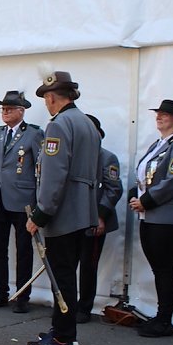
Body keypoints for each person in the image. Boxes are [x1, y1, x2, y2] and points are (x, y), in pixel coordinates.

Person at [25, 71, 100, 345]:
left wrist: (41, 213)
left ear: (52, 97)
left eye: (46, 98)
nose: (46, 103)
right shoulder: (86, 123)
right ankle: (61, 329)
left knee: (62, 276)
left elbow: (54, 175)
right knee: (67, 273)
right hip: (82, 209)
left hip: (64, 211)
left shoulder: (59, 125)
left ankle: (63, 339)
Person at [128, 100, 173, 337]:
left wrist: (145, 201)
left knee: (165, 268)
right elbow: (145, 177)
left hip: (169, 217)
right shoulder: (158, 145)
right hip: (151, 216)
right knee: (159, 268)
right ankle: (160, 316)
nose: (160, 117)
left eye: (166, 114)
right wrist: (136, 196)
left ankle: (165, 319)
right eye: (158, 113)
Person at [0, 91, 44, 313]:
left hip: (23, 200)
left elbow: (40, 169)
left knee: (23, 250)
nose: (5, 112)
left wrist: (37, 201)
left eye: (9, 109)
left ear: (21, 111)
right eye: (3, 109)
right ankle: (0, 292)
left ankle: (23, 295)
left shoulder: (33, 134)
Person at [76, 115, 123, 324]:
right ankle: (66, 305)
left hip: (93, 221)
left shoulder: (106, 157)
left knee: (88, 265)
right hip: (72, 220)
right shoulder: (72, 156)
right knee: (67, 264)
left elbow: (113, 189)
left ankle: (84, 307)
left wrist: (101, 216)